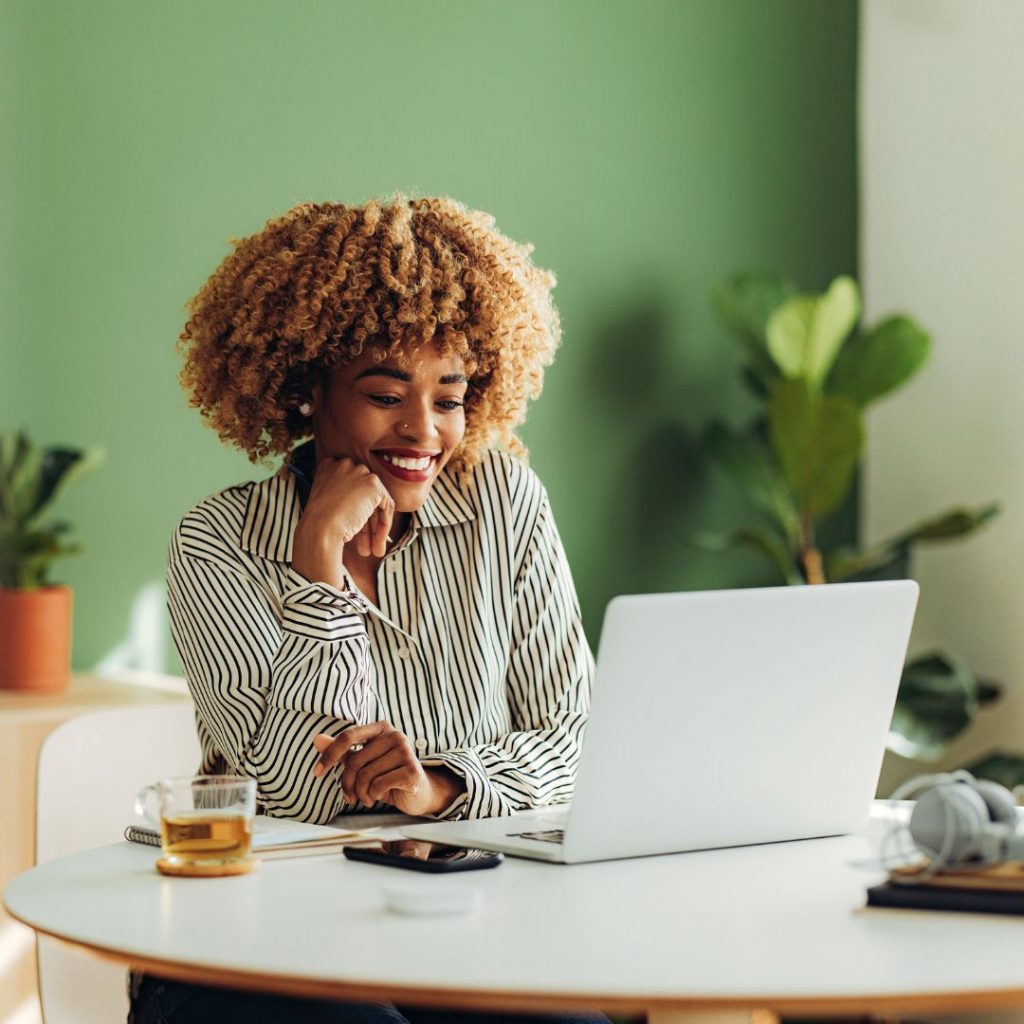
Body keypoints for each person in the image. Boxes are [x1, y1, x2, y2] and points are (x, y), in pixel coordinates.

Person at [130, 195, 604, 1024]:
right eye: (386, 394)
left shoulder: (504, 503)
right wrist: (317, 567)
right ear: (308, 389)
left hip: (457, 924)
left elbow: (580, 740)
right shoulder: (219, 540)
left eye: (450, 397)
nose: (424, 429)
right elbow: (289, 793)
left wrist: (443, 783)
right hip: (249, 944)